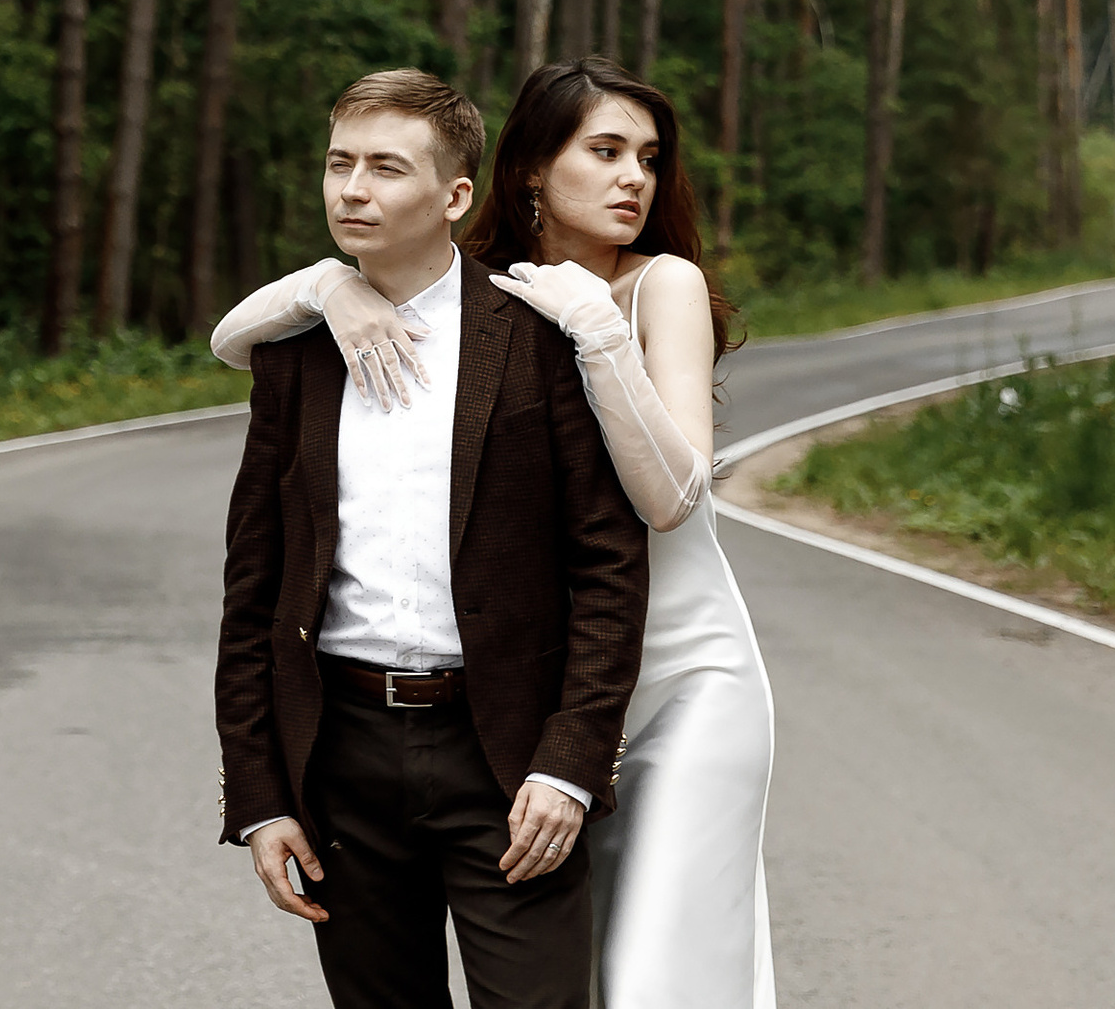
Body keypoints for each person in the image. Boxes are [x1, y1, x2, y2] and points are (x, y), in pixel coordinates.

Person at [214, 55, 774, 1009]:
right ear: (532, 174)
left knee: (654, 973)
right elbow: (254, 582)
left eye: (646, 156)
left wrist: (596, 333)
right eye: (606, 151)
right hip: (418, 725)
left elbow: (657, 513)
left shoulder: (606, 307)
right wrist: (330, 287)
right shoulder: (415, 314)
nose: (634, 176)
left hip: (651, 675)